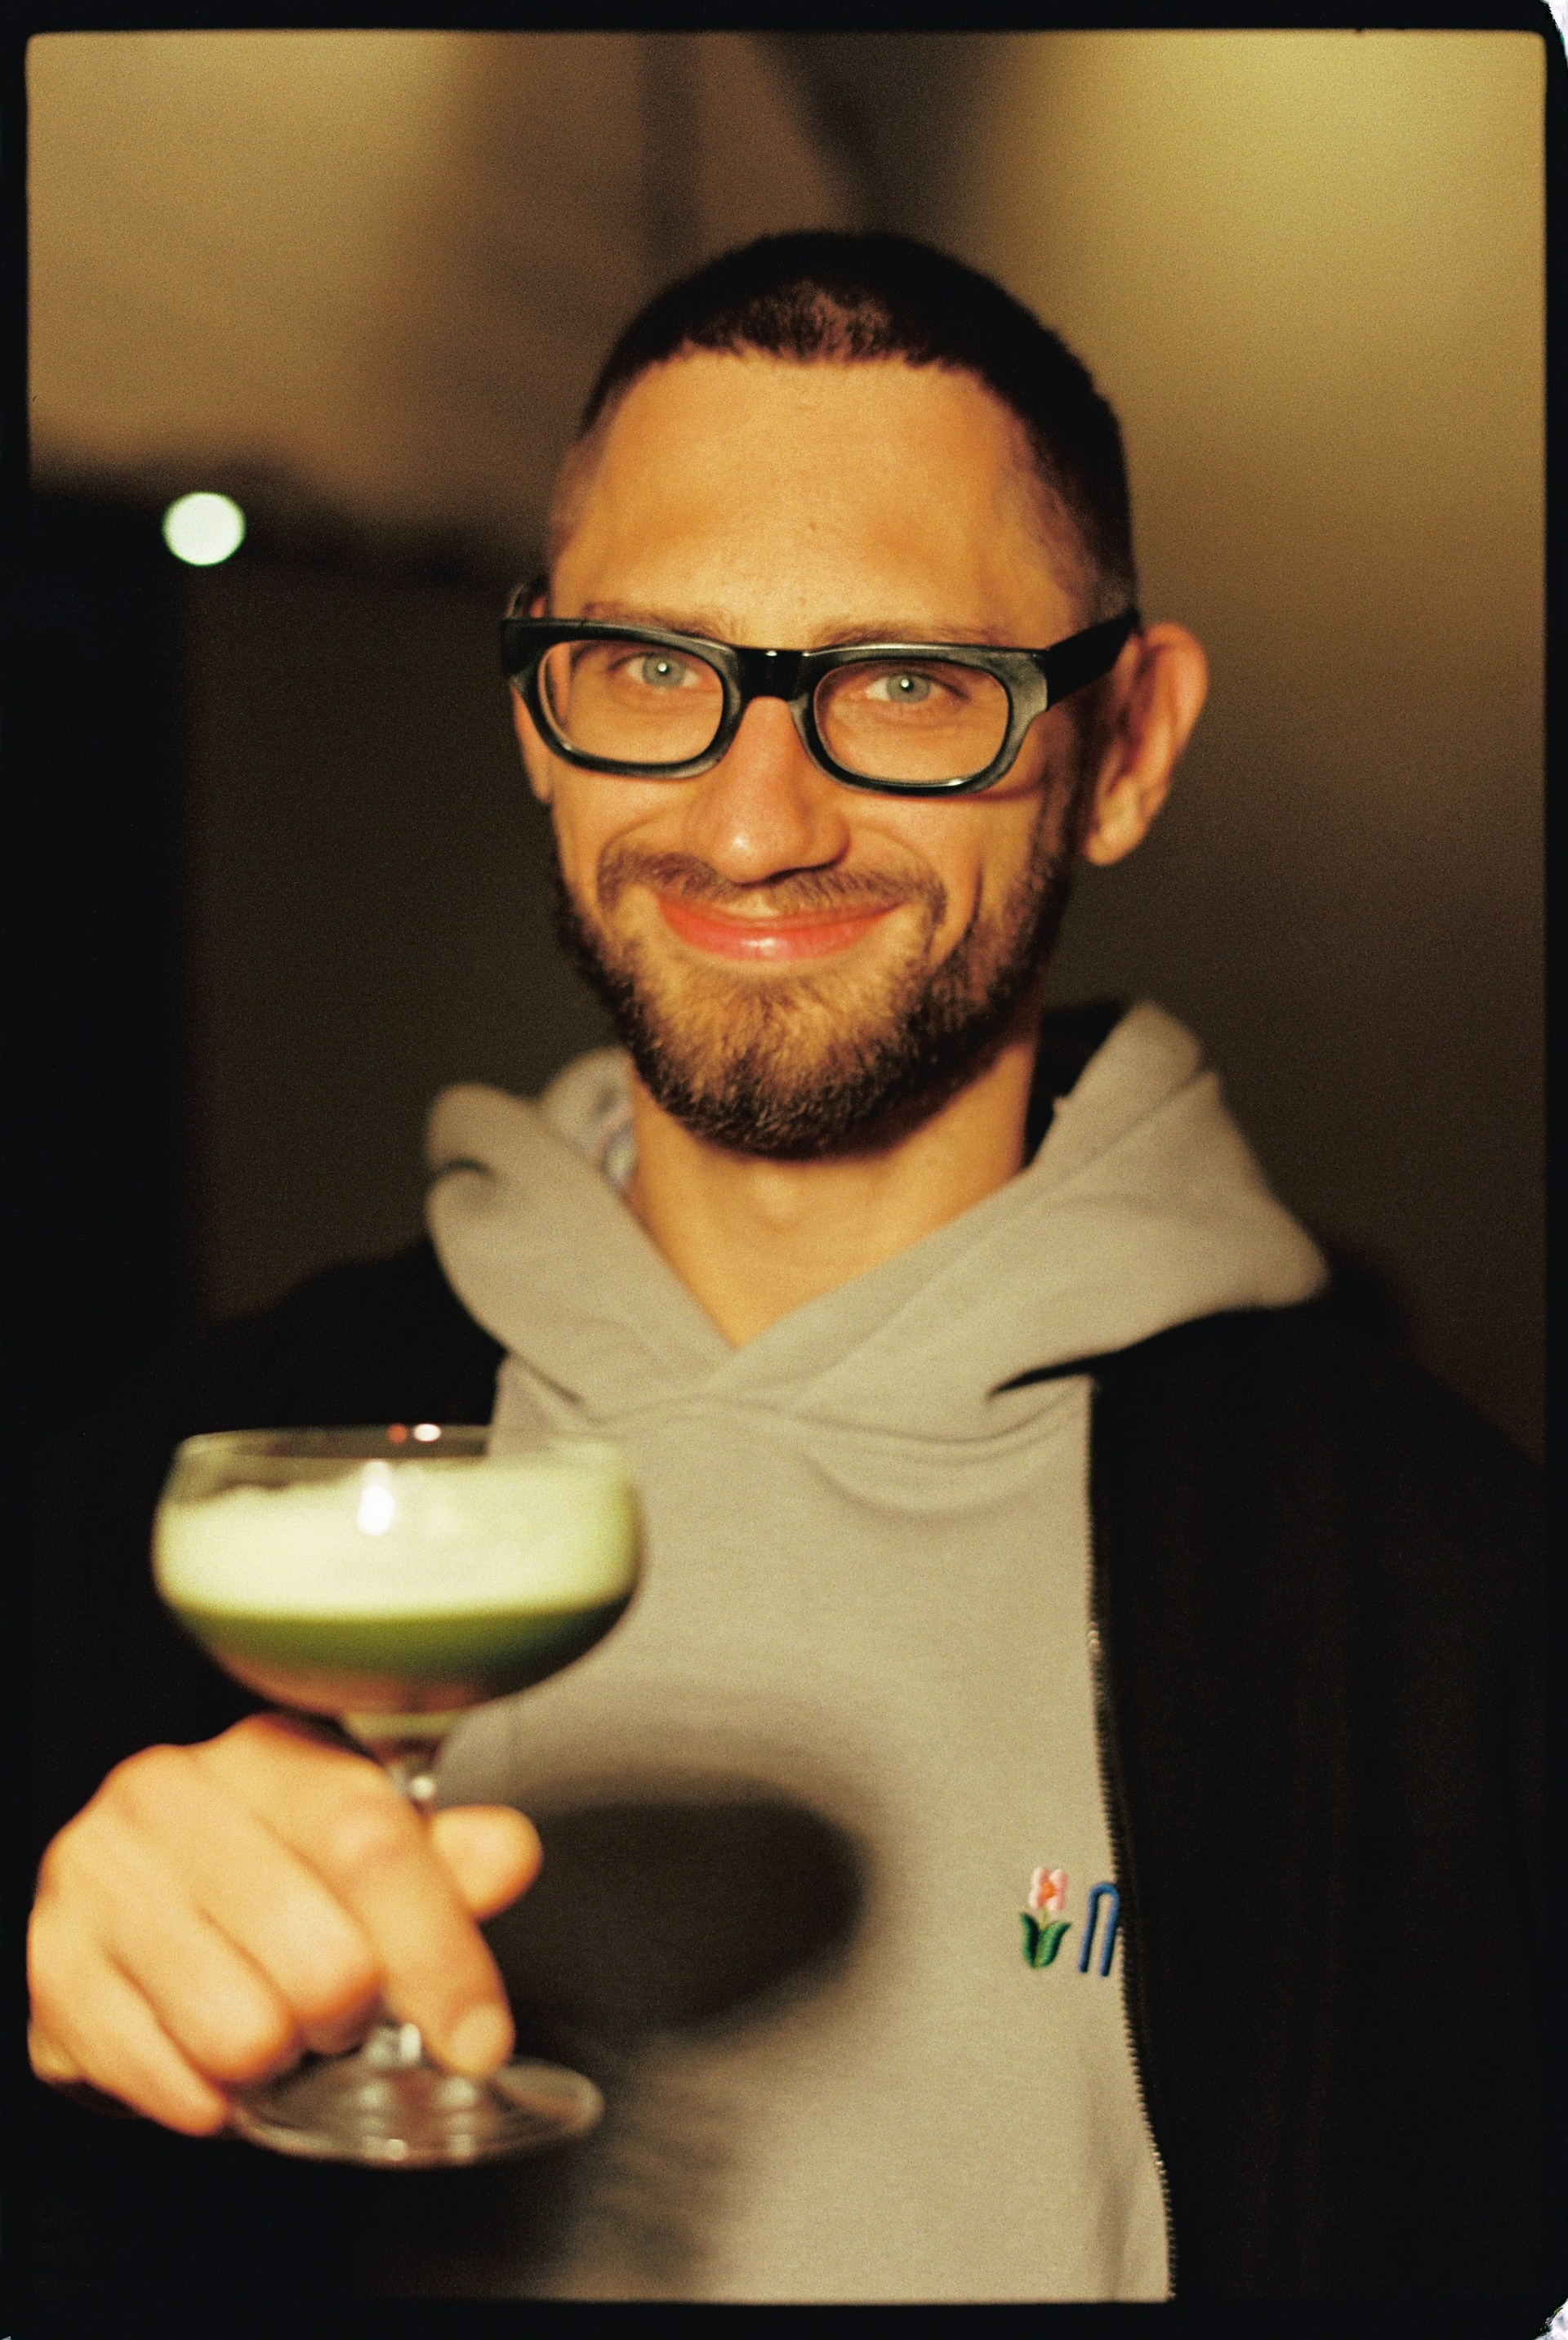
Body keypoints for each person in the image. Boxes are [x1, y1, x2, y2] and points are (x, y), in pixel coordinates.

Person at [26, 234, 1548, 2308]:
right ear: (540, 709)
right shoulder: (173, 1498)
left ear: (1124, 743)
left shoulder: (1446, 1601)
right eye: (654, 667)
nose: (753, 826)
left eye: (908, 685)